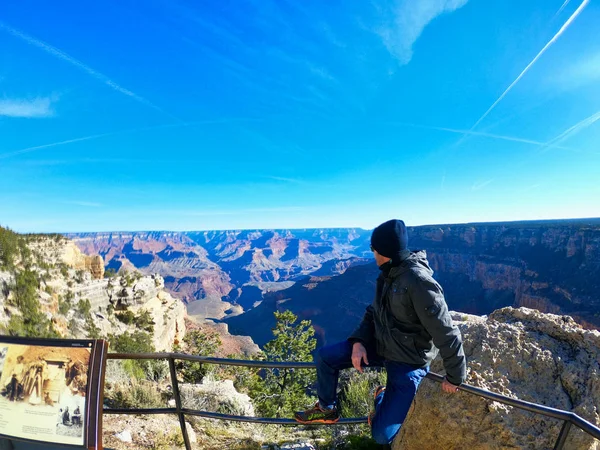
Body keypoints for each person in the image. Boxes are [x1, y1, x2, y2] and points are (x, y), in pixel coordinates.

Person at [294, 219, 467, 446]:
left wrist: (455, 376)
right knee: (326, 357)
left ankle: (382, 396)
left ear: (383, 251)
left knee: (381, 435)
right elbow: (373, 312)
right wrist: (359, 341)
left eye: (373, 249)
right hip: (381, 345)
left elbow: (446, 331)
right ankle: (328, 409)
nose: (372, 254)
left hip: (407, 361)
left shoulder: (419, 283)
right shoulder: (389, 273)